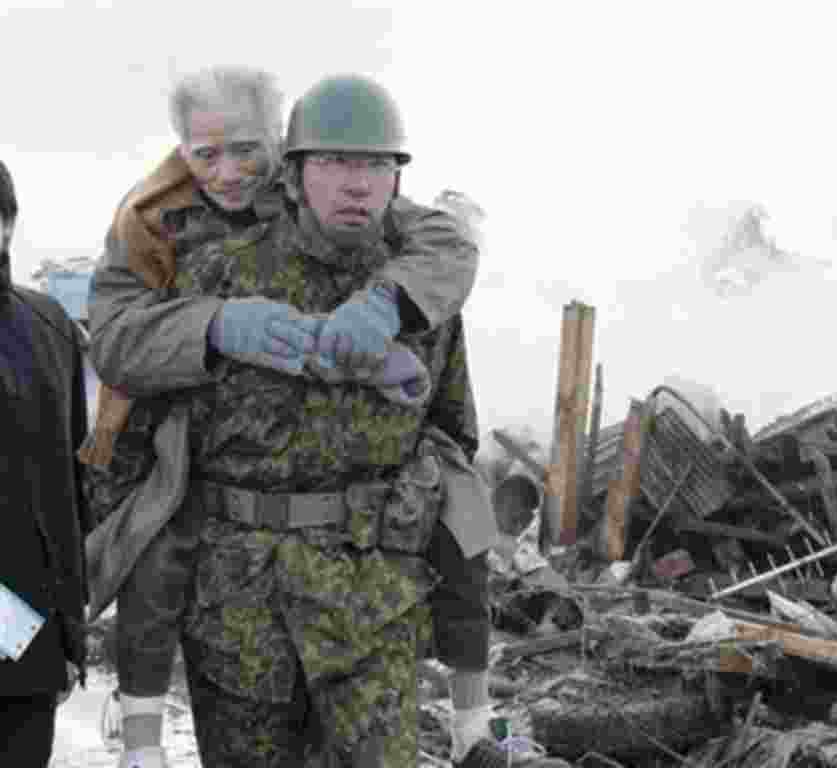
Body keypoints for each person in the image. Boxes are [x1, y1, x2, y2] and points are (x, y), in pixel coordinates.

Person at [86, 71, 550, 766]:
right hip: (236, 606)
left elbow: (452, 441)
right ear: (300, 170)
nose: (356, 183)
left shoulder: (415, 278)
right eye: (335, 162)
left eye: (374, 165)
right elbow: (127, 374)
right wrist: (216, 327)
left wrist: (470, 702)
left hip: (372, 603)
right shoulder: (184, 251)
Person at [0, 158, 91, 766]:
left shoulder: (48, 325)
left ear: (6, 225)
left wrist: (69, 631)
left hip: (25, 638)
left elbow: (71, 486)